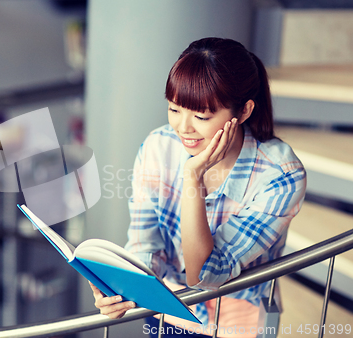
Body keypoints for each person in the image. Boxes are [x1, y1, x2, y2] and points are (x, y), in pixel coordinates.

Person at [89, 37, 307, 337]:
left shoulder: (280, 175)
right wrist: (121, 286)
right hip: (168, 313)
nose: (183, 128)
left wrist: (193, 178)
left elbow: (202, 274)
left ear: (243, 112)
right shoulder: (158, 147)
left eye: (201, 116)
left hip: (237, 325)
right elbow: (145, 244)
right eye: (174, 110)